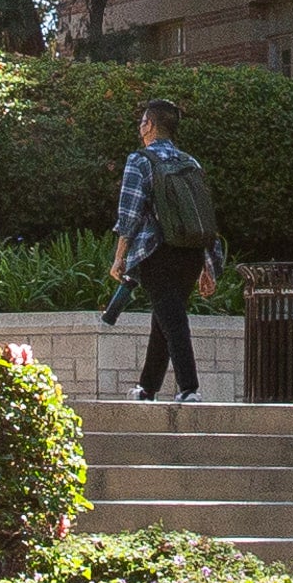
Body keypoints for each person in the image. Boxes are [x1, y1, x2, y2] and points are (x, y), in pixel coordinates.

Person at [106, 96, 222, 403]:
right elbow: (205, 214)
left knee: (171, 318)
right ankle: (147, 387)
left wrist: (120, 258)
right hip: (191, 251)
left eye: (142, 121)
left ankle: (189, 388)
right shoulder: (191, 163)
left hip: (155, 252)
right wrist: (210, 262)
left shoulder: (141, 160)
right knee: (165, 316)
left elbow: (129, 215)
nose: (140, 127)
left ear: (150, 125)